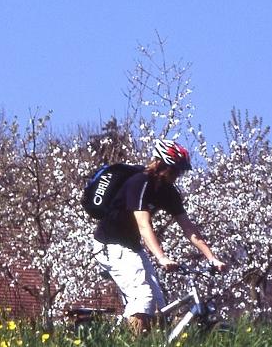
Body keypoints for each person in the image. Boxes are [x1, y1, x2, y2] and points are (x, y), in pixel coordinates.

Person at [92, 139, 227, 334]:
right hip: (110, 245)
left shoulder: (168, 192)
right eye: (175, 170)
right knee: (143, 297)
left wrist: (211, 257)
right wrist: (162, 257)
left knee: (158, 306)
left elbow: (188, 228)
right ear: (161, 164)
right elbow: (143, 225)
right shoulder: (139, 183)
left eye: (180, 171)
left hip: (131, 246)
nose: (178, 175)